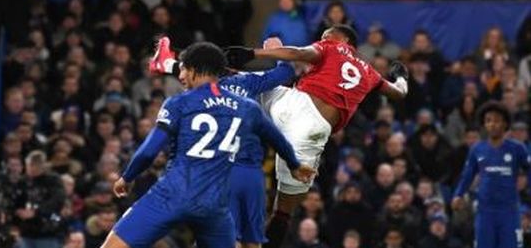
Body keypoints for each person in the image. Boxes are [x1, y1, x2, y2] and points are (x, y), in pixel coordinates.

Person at [100, 42, 316, 248]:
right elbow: (277, 139)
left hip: (173, 193)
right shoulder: (246, 106)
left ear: (194, 69)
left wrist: (127, 177)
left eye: (183, 70)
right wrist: (295, 165)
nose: (181, 76)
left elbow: (149, 152)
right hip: (214, 206)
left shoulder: (179, 102)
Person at [224, 24, 410, 248]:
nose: (322, 38)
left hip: (295, 105)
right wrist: (401, 76)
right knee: (283, 212)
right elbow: (399, 93)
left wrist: (253, 53)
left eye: (325, 35)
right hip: (313, 132)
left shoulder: (333, 47)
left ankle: (180, 66)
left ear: (342, 40)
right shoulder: (370, 73)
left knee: (245, 82)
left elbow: (298, 53)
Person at [149, 36, 297, 248]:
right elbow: (286, 72)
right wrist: (277, 51)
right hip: (247, 172)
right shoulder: (246, 82)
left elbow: (190, 75)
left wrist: (167, 64)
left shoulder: (194, 92)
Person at [452, 101, 530, 248]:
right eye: (488, 120)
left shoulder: (517, 148)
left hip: (509, 212)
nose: (492, 124)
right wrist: (458, 194)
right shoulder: (477, 149)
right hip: (485, 212)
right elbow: (467, 175)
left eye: (496, 120)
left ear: (505, 123)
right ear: (484, 124)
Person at [14, 150, 66, 248]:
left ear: (42, 166)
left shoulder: (53, 180)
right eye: (29, 165)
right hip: (26, 232)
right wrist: (18, 211)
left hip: (48, 232)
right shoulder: (23, 181)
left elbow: (58, 200)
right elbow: (17, 200)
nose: (30, 168)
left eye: (34, 165)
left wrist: (36, 212)